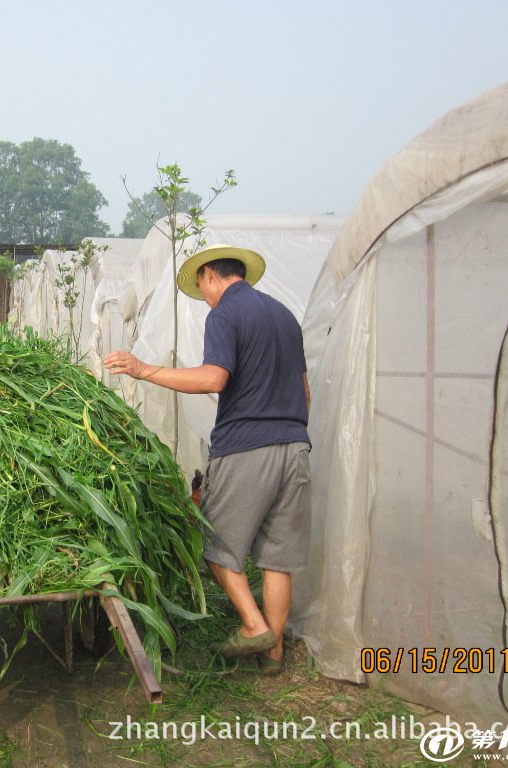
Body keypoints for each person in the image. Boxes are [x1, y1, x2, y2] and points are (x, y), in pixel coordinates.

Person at [103, 244, 310, 674]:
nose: (205, 298)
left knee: (215, 548)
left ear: (212, 275)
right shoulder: (285, 317)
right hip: (296, 444)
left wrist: (145, 370)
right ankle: (273, 658)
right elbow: (305, 393)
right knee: (276, 559)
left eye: (202, 288)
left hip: (247, 447)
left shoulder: (226, 314)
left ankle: (255, 627)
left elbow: (214, 377)